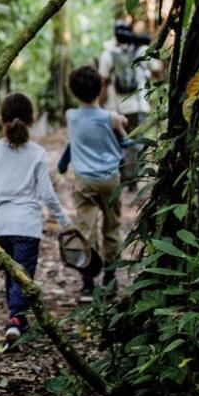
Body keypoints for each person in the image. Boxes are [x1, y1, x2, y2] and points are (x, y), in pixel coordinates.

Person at [0, 93, 74, 345]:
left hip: (1, 227)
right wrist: (64, 221)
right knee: (23, 276)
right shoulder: (37, 153)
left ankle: (20, 319)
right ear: (32, 120)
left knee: (13, 274)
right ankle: (16, 319)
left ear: (1, 120)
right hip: (28, 227)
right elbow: (47, 195)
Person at [61, 66, 126, 300]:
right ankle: (110, 278)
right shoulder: (111, 118)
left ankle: (88, 283)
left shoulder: (71, 116)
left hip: (84, 181)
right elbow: (121, 127)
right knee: (112, 227)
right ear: (101, 89)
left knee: (86, 228)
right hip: (110, 179)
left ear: (74, 92)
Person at [98, 20, 159, 186]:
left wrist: (99, 104)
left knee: (117, 141)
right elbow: (158, 71)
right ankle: (133, 180)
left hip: (116, 108)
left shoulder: (108, 54)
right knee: (136, 142)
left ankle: (122, 177)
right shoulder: (141, 51)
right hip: (139, 106)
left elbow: (103, 82)